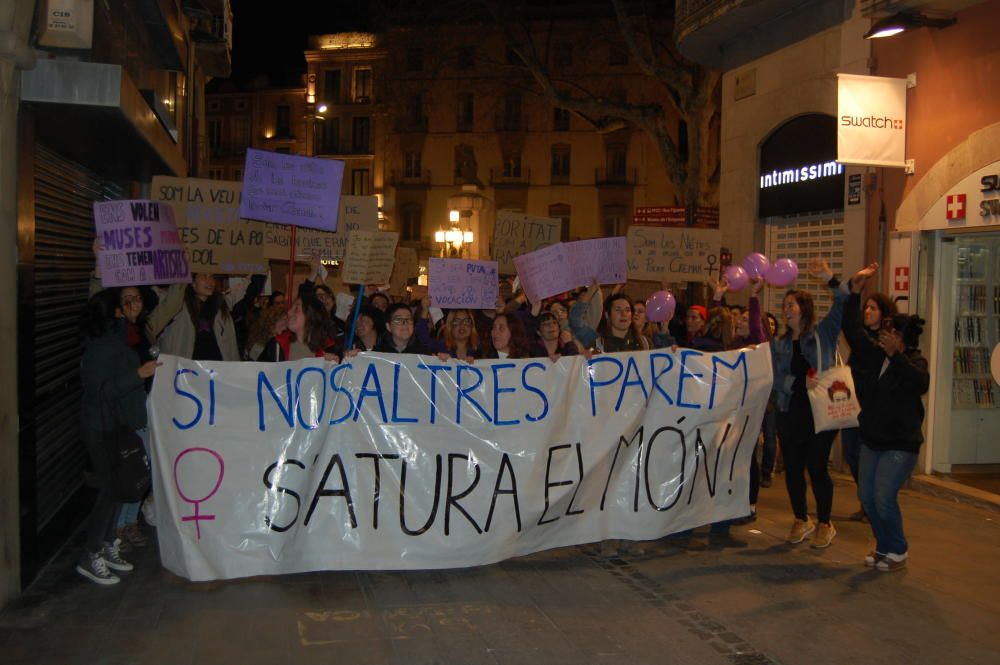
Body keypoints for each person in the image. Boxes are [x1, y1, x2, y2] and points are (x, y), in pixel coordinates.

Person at [843, 264, 929, 572]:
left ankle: (898, 549)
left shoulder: (914, 362)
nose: (884, 336)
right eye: (884, 331)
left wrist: (897, 356)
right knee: (867, 496)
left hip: (900, 444)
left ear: (902, 338)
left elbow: (920, 383)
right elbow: (852, 330)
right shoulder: (874, 355)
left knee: (883, 496)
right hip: (872, 439)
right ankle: (883, 547)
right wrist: (854, 291)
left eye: (892, 332)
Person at [77, 290, 160, 585]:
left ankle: (107, 544)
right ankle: (91, 554)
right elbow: (101, 391)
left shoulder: (121, 336)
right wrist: (138, 374)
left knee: (120, 487)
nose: (133, 306)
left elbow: (151, 301)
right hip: (103, 427)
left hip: (118, 424)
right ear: (114, 312)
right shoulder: (101, 346)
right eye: (125, 303)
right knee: (109, 491)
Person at [771, 258, 848, 549]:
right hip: (791, 412)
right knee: (792, 468)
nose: (786, 309)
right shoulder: (780, 344)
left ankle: (825, 522)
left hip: (821, 413)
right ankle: (801, 518)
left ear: (804, 309)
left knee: (816, 466)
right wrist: (795, 383)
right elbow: (776, 378)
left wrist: (830, 278)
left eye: (792, 305)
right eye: (784, 305)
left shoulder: (822, 335)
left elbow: (843, 303)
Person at [842, 291, 898, 521]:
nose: (867, 312)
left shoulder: (884, 342)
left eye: (873, 308)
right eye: (866, 307)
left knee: (867, 456)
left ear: (883, 314)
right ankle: (866, 500)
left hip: (873, 410)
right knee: (851, 453)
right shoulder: (860, 337)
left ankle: (871, 504)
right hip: (852, 406)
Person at [157, 273, 241, 361]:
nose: (210, 282)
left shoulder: (221, 306)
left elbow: (245, 289)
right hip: (187, 369)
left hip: (218, 368)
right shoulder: (178, 308)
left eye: (212, 277)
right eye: (204, 276)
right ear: (192, 283)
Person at [260, 296, 340, 361]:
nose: (288, 312)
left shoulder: (330, 348)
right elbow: (256, 375)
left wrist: (333, 366)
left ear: (311, 316)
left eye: (296, 309)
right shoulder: (276, 345)